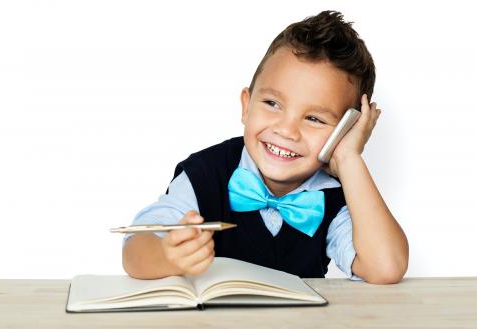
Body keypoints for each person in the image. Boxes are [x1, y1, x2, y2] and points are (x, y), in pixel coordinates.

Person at [122, 10, 409, 284]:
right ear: (246, 106)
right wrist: (167, 256)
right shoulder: (205, 173)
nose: (285, 130)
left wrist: (349, 158)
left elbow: (385, 267)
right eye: (272, 104)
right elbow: (135, 249)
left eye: (313, 118)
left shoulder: (336, 196)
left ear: (344, 132)